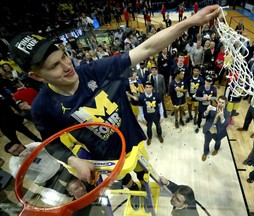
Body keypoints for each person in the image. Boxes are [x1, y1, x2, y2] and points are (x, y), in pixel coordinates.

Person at [9, 4, 220, 210]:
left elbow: (147, 47)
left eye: (64, 56)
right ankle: (134, 187)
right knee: (126, 178)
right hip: (106, 157)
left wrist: (191, 21)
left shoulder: (97, 70)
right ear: (37, 76)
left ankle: (141, 182)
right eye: (54, 66)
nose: (66, 66)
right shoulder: (43, 107)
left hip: (132, 139)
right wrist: (73, 160)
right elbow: (51, 142)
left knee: (141, 169)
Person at [201, 96, 229, 161]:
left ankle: (216, 149)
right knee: (206, 142)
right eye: (219, 102)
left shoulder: (227, 113)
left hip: (219, 131)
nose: (220, 104)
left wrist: (222, 117)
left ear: (225, 104)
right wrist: (207, 110)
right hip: (209, 130)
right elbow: (204, 116)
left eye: (222, 103)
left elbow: (226, 124)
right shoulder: (212, 108)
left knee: (218, 141)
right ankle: (205, 153)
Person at [138, 81, 164, 145]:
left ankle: (159, 135)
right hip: (147, 116)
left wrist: (161, 116)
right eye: (147, 87)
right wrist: (143, 118)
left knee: (158, 126)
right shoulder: (141, 97)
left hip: (156, 115)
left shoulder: (157, 96)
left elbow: (160, 106)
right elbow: (140, 108)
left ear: (152, 88)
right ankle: (149, 138)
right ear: (144, 88)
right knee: (149, 127)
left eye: (150, 87)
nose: (148, 89)